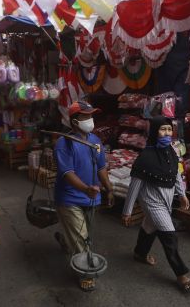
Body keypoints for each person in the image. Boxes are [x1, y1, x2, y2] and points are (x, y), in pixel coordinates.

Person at [122, 116, 190, 292]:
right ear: (154, 131)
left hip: (167, 199)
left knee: (150, 226)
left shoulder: (171, 151)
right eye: (162, 129)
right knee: (169, 235)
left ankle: (140, 253)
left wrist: (182, 194)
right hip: (151, 200)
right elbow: (135, 186)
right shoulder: (145, 156)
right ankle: (181, 275)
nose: (167, 133)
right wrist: (127, 211)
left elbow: (176, 174)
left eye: (169, 130)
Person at [53, 101, 114, 292]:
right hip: (70, 197)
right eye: (85, 116)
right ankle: (85, 274)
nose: (90, 120)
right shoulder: (64, 143)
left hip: (91, 196)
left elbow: (102, 166)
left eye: (91, 115)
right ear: (74, 121)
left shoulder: (95, 140)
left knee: (83, 233)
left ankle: (66, 240)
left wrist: (109, 188)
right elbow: (67, 173)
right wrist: (86, 189)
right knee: (82, 237)